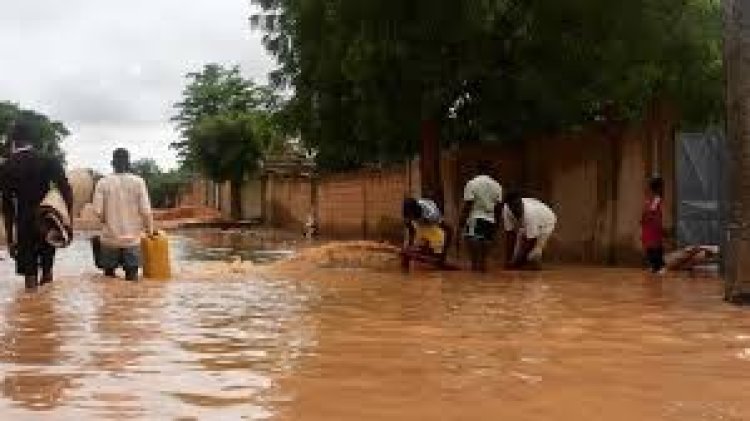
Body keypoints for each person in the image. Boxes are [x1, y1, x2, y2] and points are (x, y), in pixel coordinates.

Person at [1, 120, 73, 290]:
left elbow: (7, 204)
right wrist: (68, 221)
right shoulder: (49, 160)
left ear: (13, 141)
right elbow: (66, 190)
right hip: (48, 220)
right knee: (47, 269)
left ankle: (31, 305)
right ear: (31, 140)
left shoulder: (7, 166)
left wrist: (10, 238)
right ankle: (47, 310)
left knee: (29, 274)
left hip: (24, 223)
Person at [92, 148, 154, 281]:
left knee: (109, 280)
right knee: (132, 279)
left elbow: (97, 211)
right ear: (129, 163)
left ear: (112, 163)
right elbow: (146, 211)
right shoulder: (138, 182)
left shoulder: (102, 183)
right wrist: (150, 231)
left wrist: (106, 220)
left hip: (109, 240)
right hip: (132, 241)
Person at [460, 161, 504, 271]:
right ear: (489, 171)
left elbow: (468, 204)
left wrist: (461, 221)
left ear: (477, 170)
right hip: (490, 220)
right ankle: (482, 269)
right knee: (485, 247)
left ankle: (475, 269)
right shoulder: (497, 185)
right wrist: (496, 224)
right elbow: (498, 207)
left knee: (473, 244)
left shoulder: (472, 183)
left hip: (475, 217)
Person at [502, 192, 557, 270]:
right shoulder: (506, 210)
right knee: (516, 252)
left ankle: (533, 260)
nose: (517, 208)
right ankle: (519, 260)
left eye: (518, 205)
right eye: (514, 206)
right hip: (529, 222)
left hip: (546, 221)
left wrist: (518, 261)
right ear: (509, 206)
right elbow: (510, 234)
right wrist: (508, 259)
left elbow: (531, 240)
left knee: (533, 255)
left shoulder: (530, 213)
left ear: (521, 202)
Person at [401, 197, 454, 271]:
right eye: (409, 216)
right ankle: (404, 272)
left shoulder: (432, 214)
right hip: (421, 225)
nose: (410, 217)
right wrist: (409, 248)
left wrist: (443, 254)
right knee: (406, 252)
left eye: (411, 215)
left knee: (437, 249)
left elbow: (449, 230)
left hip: (432, 225)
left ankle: (436, 254)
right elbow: (411, 231)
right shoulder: (407, 214)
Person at [641, 177, 665, 274]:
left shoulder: (656, 199)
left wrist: (646, 215)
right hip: (648, 225)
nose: (646, 188)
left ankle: (660, 266)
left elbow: (651, 211)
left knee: (655, 245)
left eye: (648, 186)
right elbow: (646, 211)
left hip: (653, 225)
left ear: (652, 188)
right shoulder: (650, 199)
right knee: (648, 245)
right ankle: (653, 265)